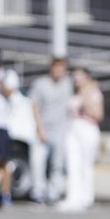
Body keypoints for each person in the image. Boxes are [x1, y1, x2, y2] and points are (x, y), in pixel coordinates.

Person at [27, 57, 74, 204]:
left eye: (62, 68)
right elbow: (35, 106)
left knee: (57, 164)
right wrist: (39, 128)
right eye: (56, 67)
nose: (58, 71)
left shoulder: (68, 84)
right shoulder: (40, 84)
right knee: (37, 162)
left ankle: (54, 192)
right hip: (43, 129)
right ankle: (38, 192)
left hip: (60, 130)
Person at [58, 67, 104, 212]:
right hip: (73, 128)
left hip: (87, 127)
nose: (76, 79)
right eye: (74, 76)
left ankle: (86, 197)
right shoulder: (73, 92)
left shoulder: (93, 92)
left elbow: (99, 115)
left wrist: (86, 100)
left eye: (79, 76)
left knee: (86, 164)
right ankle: (73, 197)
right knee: (73, 164)